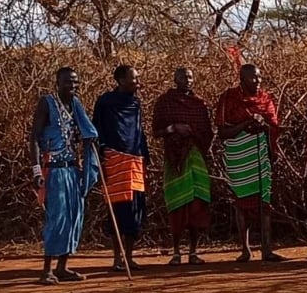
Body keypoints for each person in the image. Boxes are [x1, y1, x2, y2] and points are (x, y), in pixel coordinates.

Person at [29, 67, 100, 284]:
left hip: (72, 169)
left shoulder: (76, 105)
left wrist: (87, 138)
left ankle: (62, 267)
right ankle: (46, 271)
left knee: (74, 217)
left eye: (76, 82)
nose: (73, 86)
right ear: (57, 83)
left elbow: (84, 132)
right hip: (54, 170)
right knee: (57, 218)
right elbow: (34, 137)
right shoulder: (47, 103)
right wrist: (36, 170)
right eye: (68, 82)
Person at [215, 64, 284, 262]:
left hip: (260, 155)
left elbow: (274, 126)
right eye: (253, 77)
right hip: (238, 157)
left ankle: (267, 249)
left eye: (260, 77)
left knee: (264, 201)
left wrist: (262, 125)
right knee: (241, 203)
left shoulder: (265, 99)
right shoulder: (229, 98)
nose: (258, 81)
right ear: (242, 79)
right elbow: (222, 132)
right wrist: (247, 123)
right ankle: (245, 250)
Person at [152, 67, 215, 265]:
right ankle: (176, 252)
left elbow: (207, 131)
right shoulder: (165, 102)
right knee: (177, 205)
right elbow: (156, 131)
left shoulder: (199, 104)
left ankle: (193, 252)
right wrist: (174, 128)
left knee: (197, 204)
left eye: (190, 77)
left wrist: (194, 134)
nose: (187, 80)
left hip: (196, 157)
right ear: (175, 79)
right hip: (174, 159)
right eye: (183, 77)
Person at [94, 65, 150, 271]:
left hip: (135, 159)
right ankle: (117, 258)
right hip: (113, 158)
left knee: (135, 209)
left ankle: (129, 256)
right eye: (134, 78)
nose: (138, 82)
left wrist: (145, 157)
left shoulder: (135, 103)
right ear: (121, 80)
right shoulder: (105, 102)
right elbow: (97, 130)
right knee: (117, 209)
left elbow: (139, 131)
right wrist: (100, 156)